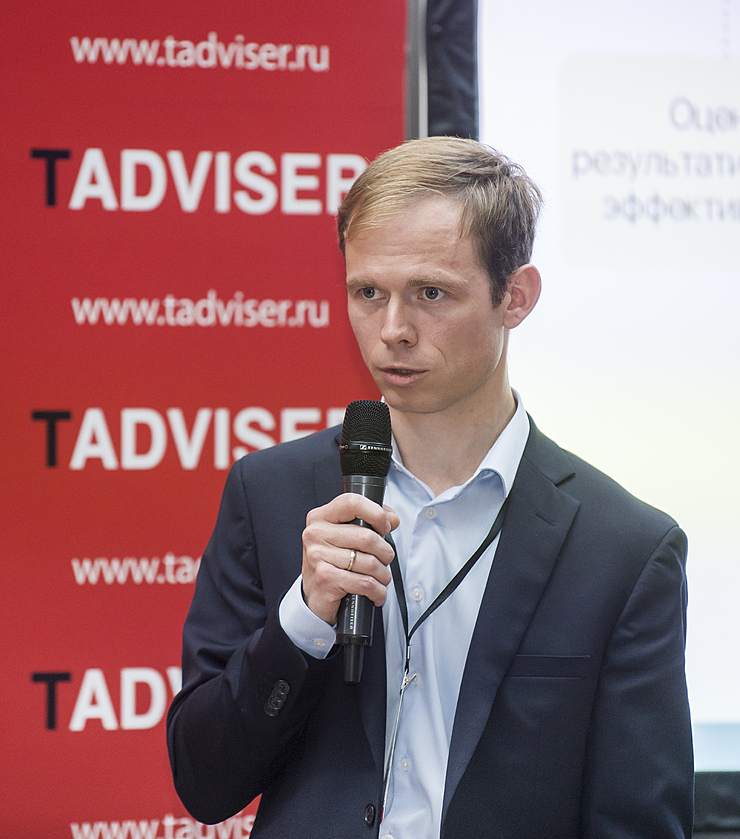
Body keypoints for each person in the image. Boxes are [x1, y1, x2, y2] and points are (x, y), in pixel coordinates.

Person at [166, 137, 693, 838]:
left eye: (431, 293)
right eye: (368, 293)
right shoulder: (270, 493)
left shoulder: (623, 548)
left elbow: (639, 821)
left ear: (516, 298)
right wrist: (303, 619)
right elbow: (203, 782)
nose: (392, 331)